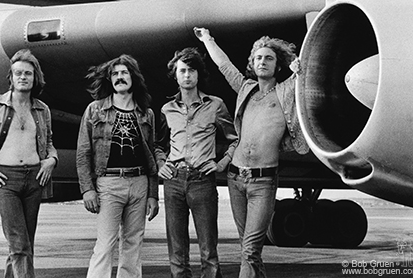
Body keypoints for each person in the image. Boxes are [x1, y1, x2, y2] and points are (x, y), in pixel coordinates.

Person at [194, 27, 309, 278]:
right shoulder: (245, 88)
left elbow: (306, 75)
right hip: (235, 178)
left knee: (250, 250)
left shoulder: (287, 90)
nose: (262, 62)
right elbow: (225, 66)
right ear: (252, 63)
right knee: (248, 250)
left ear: (278, 66)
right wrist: (208, 40)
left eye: (269, 58)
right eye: (258, 57)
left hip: (263, 181)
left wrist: (301, 66)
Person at [0, 49, 58, 278]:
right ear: (11, 77)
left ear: (35, 77)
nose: (23, 77)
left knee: (24, 245)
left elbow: (50, 143)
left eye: (28, 73)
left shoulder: (42, 109)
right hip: (5, 180)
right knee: (19, 244)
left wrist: (52, 160)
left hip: (35, 179)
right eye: (18, 73)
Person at [155, 47, 237, 278]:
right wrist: (162, 162)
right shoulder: (167, 109)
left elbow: (235, 139)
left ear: (199, 74)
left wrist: (222, 164)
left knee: (208, 249)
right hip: (173, 181)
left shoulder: (215, 105)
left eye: (192, 70)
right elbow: (158, 144)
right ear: (176, 75)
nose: (187, 75)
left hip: (203, 181)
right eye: (182, 71)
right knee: (177, 250)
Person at [76, 54, 160, 278]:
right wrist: (87, 189)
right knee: (105, 245)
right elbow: (83, 153)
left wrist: (153, 194)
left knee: (133, 245)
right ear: (109, 80)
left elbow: (151, 156)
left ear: (133, 78)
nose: (119, 77)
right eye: (115, 74)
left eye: (124, 73)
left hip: (140, 183)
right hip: (109, 184)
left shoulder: (146, 113)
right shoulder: (95, 110)